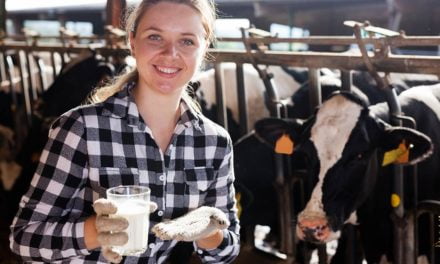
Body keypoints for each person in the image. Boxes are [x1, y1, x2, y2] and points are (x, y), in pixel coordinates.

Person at [9, 0, 240, 263]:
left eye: (187, 41)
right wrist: (95, 231)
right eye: (155, 37)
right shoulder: (81, 128)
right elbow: (24, 238)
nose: (170, 53)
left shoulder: (215, 142)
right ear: (132, 42)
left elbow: (227, 251)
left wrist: (207, 231)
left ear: (204, 48)